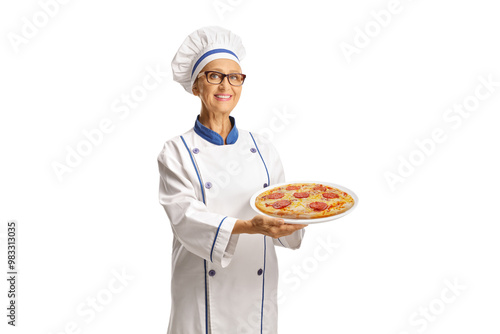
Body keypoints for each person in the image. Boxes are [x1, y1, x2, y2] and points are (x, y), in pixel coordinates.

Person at [157, 26, 307, 334]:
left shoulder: (263, 148)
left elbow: (283, 213)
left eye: (234, 77)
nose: (226, 84)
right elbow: (185, 218)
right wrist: (249, 227)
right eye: (214, 75)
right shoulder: (176, 151)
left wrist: (299, 218)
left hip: (256, 298)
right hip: (201, 295)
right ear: (196, 86)